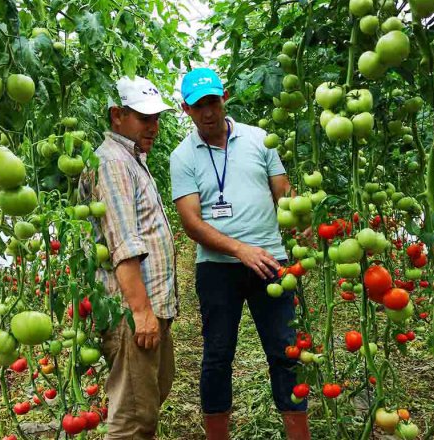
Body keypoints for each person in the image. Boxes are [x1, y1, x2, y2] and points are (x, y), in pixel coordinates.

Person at [169, 68, 311, 440]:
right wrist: (239, 250)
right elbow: (191, 223)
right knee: (217, 357)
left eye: (212, 102)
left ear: (224, 97)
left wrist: (303, 224)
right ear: (185, 109)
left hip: (271, 261)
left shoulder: (260, 139)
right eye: (198, 106)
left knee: (286, 352)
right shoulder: (182, 157)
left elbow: (284, 193)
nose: (208, 112)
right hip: (217, 269)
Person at [79, 75, 177, 439]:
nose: (153, 127)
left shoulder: (131, 158)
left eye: (156, 118)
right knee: (133, 419)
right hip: (131, 309)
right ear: (117, 115)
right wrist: (141, 311)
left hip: (146, 305)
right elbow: (123, 243)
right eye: (144, 118)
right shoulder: (114, 163)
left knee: (147, 401)